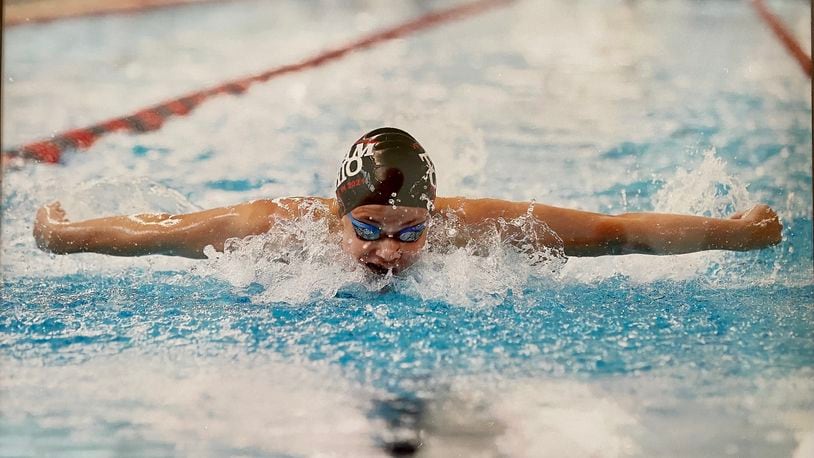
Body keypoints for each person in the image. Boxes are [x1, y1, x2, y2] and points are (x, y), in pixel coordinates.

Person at [33, 127, 782, 275]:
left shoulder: (474, 230)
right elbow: (157, 232)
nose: (387, 252)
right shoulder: (274, 231)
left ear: (435, 215)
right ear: (336, 214)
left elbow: (615, 233)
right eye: (368, 227)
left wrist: (737, 234)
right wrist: (64, 236)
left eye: (409, 232)